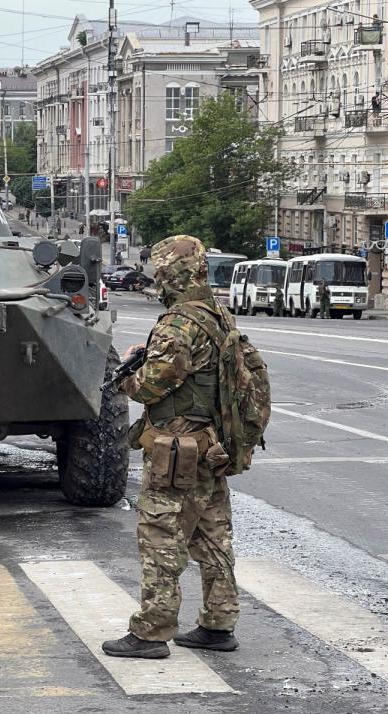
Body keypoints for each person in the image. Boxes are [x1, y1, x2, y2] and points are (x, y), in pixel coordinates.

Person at [102, 235, 241, 660]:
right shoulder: (218, 315)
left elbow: (150, 387)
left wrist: (129, 370)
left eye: (158, 274)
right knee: (212, 536)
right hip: (211, 446)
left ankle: (151, 632)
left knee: (161, 538)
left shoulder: (179, 323)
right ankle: (218, 625)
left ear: (169, 275)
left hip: (176, 450)